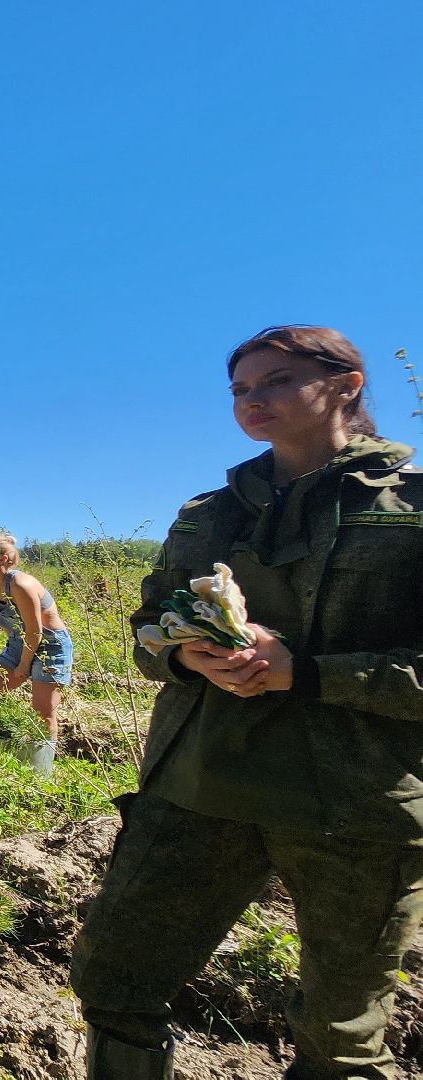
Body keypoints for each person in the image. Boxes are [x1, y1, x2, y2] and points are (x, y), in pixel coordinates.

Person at [70, 326, 423, 1079]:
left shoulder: (411, 510)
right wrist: (183, 652)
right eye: (239, 390)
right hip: (199, 789)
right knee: (114, 982)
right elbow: (147, 628)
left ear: (347, 385)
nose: (252, 401)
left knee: (342, 1039)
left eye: (275, 382)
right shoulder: (210, 513)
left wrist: (308, 672)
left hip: (355, 811)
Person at [0, 530, 74, 772]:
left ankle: (40, 772)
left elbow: (35, 630)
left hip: (50, 645)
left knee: (43, 710)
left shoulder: (20, 583)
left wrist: (24, 665)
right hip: (20, 641)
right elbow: (11, 628)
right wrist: (13, 657)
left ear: (4, 558)